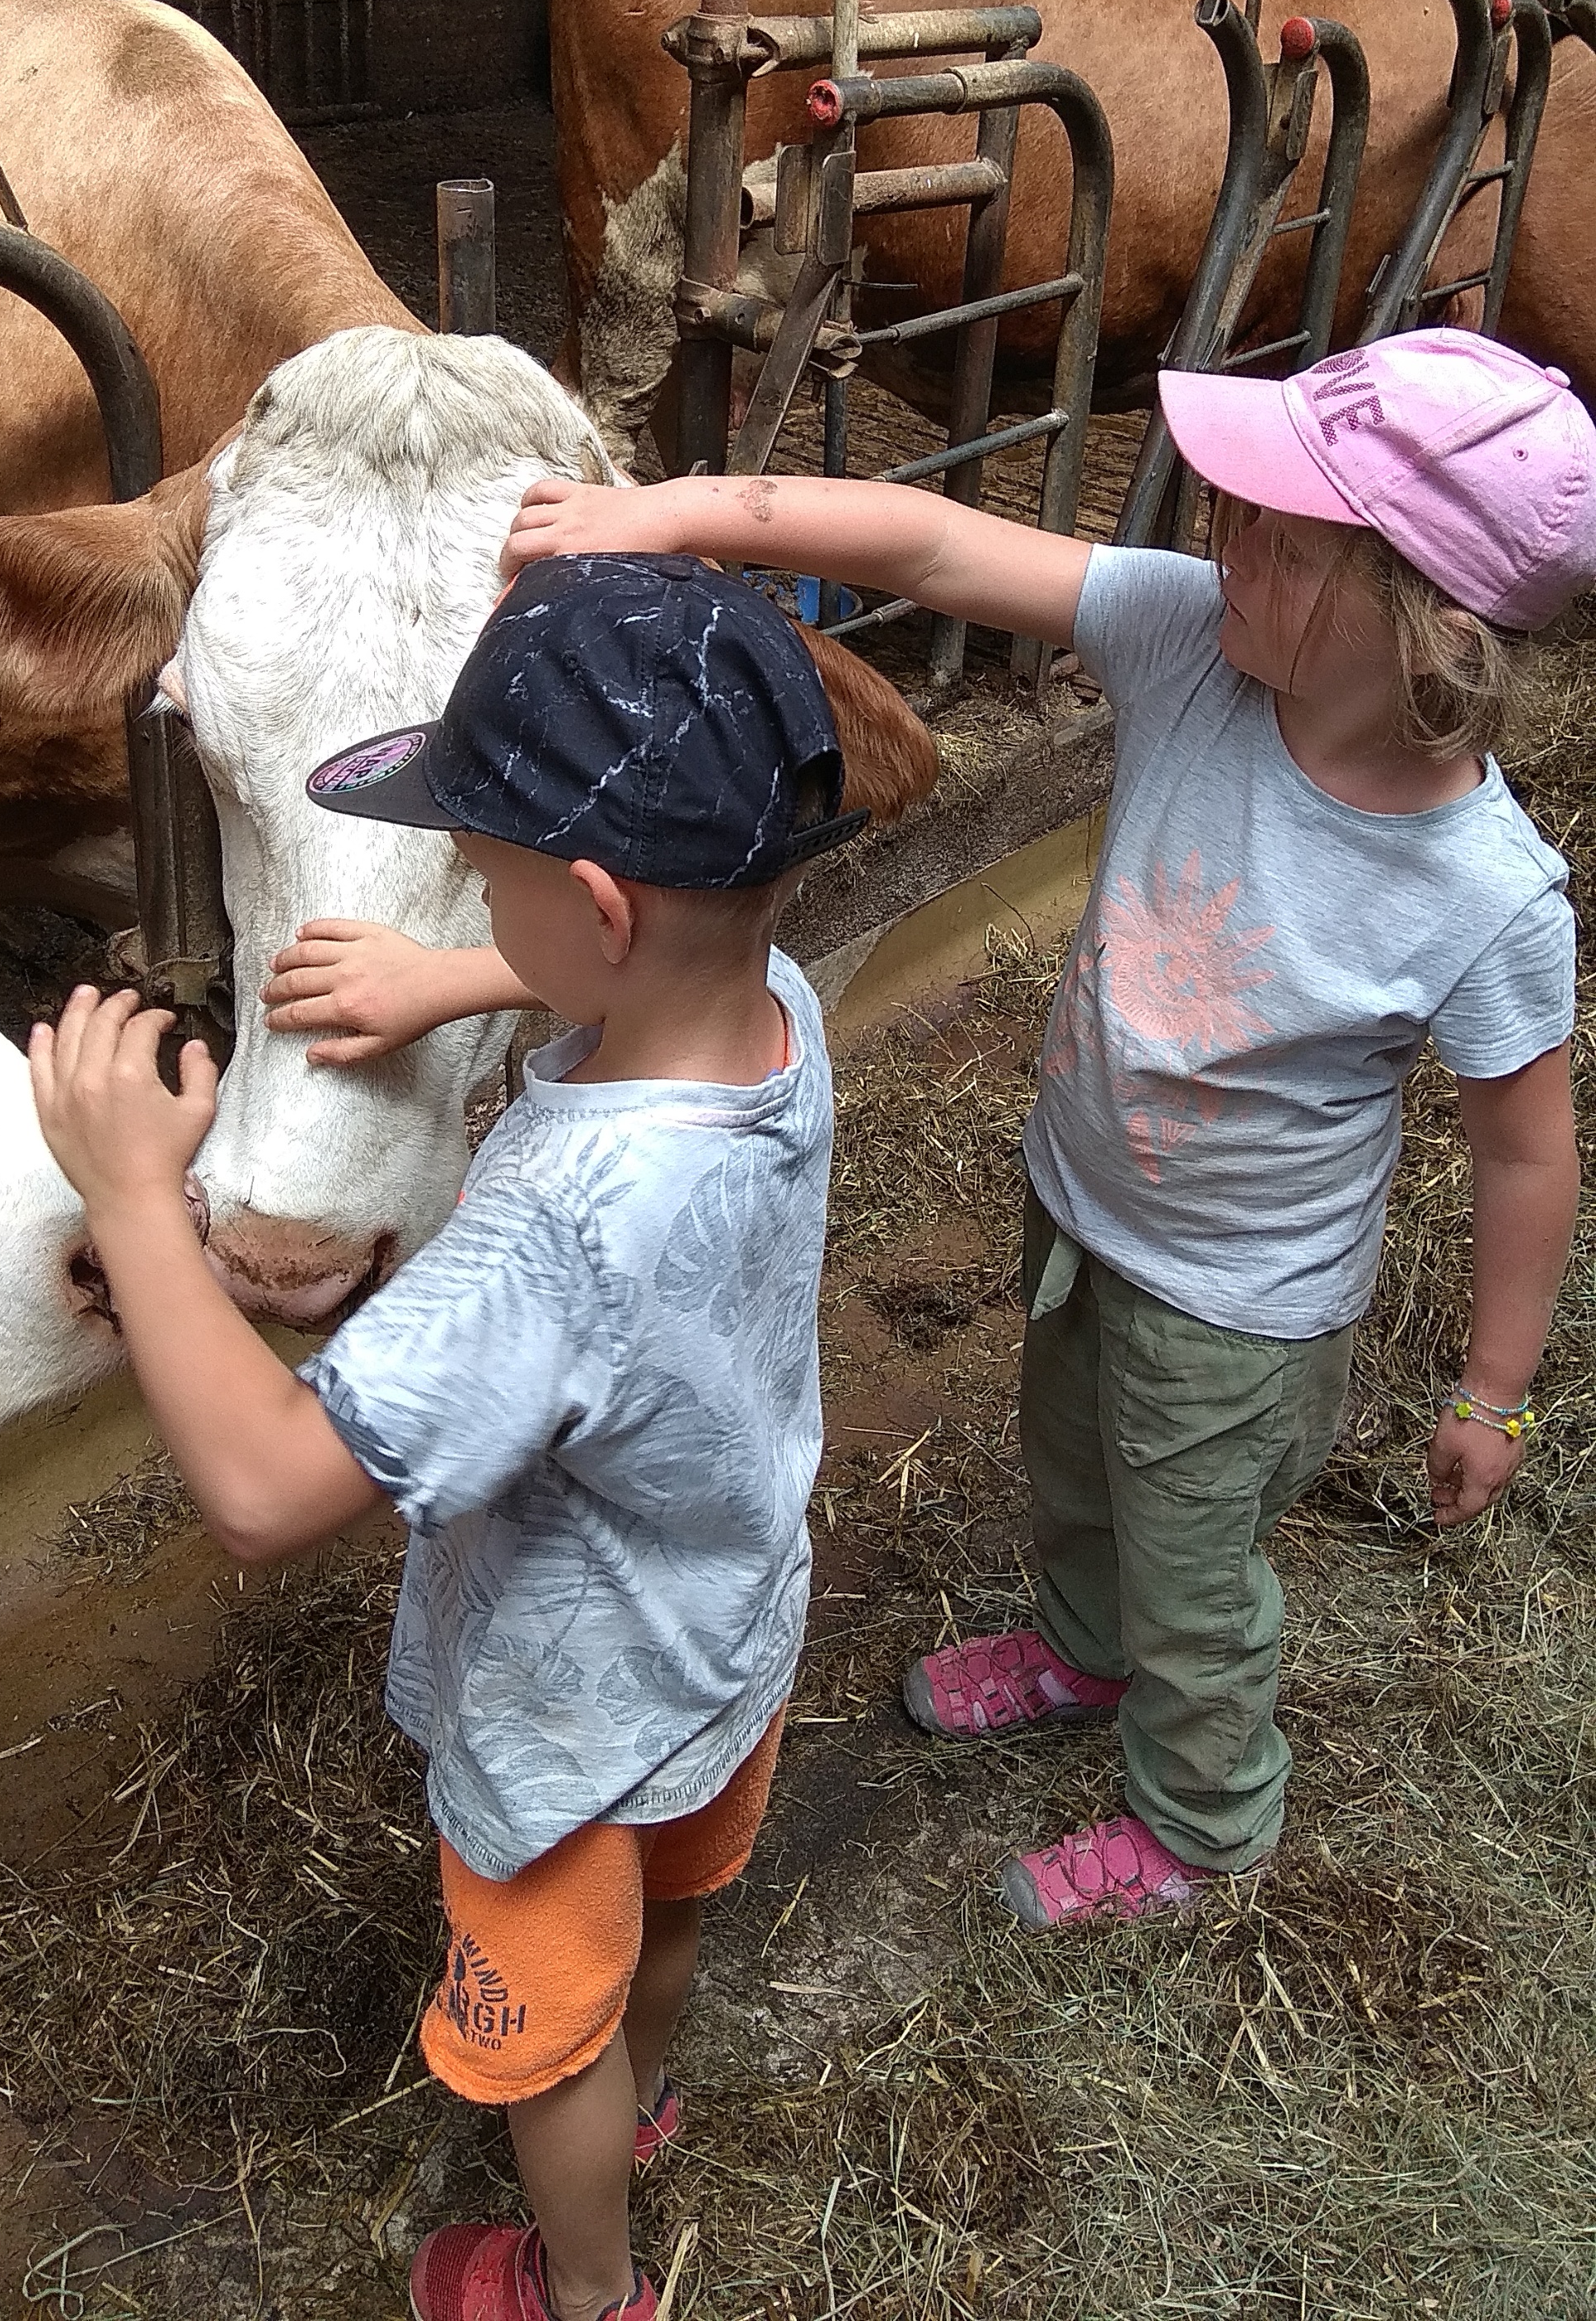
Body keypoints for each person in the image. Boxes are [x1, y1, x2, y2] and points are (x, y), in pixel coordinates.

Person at [499, 328, 1591, 1930]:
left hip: (1239, 1311)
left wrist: (1496, 1392)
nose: (1218, 532)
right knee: (1074, 1465)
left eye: (1275, 533)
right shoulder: (1191, 637)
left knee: (1198, 1576)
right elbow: (937, 540)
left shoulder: (1489, 895)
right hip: (1080, 1199)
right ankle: (1084, 1649)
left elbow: (1522, 1149)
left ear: (1424, 623)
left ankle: (1206, 1821)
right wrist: (675, 514)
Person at [30, 551, 868, 2321]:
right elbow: (631, 954)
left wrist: (137, 1197)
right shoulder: (778, 1004)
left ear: (593, 908)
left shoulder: (552, 1232)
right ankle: (647, 2102)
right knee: (673, 1910)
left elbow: (265, 1488)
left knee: (542, 2032)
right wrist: (458, 979)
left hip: (568, 1711)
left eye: (478, 876)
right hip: (732, 1617)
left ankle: (584, 2283)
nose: (467, 903)